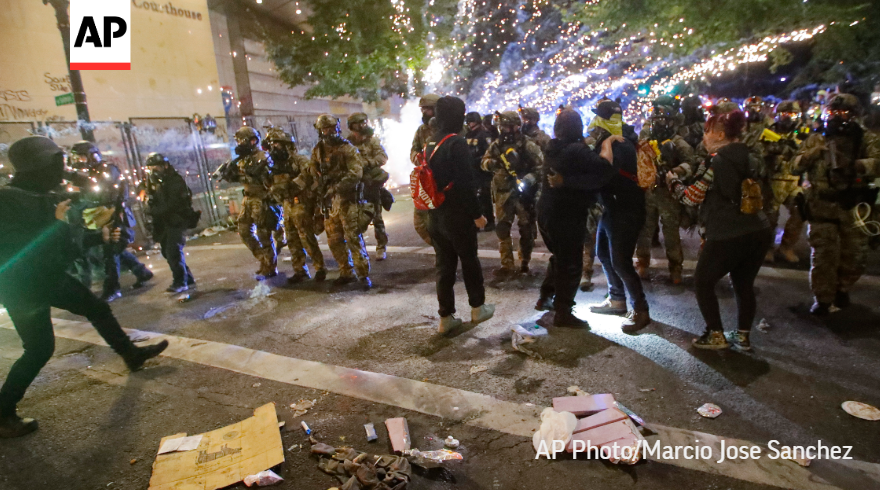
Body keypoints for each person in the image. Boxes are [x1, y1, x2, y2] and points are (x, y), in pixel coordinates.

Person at [0, 136, 168, 438]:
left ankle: (130, 354)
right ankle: (2, 412)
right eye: (55, 165)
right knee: (39, 349)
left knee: (96, 308)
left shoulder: (38, 195)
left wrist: (95, 237)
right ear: (38, 166)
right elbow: (30, 247)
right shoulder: (8, 200)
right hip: (21, 286)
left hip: (45, 278)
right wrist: (60, 222)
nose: (61, 171)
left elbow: (61, 247)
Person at [667, 111, 773, 350]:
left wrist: (673, 182)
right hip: (759, 229)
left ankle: (715, 334)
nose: (704, 136)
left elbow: (692, 196)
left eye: (707, 131)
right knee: (744, 283)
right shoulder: (752, 157)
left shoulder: (715, 161)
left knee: (703, 281)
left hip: (728, 232)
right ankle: (743, 336)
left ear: (720, 134)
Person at [792, 94, 880, 315]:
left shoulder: (866, 139)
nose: (838, 117)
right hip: (822, 205)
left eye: (844, 113)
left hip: (853, 206)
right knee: (823, 256)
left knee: (856, 256)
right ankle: (822, 299)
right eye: (833, 112)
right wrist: (812, 155)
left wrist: (855, 165)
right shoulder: (816, 138)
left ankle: (842, 288)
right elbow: (795, 166)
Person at [537, 108, 620, 326]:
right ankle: (563, 312)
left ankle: (546, 296)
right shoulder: (576, 150)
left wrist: (568, 180)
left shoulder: (552, 147)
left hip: (546, 211)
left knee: (560, 256)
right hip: (566, 214)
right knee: (571, 263)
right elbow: (604, 168)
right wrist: (608, 143)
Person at [424, 97, 495, 334]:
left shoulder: (430, 143)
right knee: (469, 260)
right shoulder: (456, 143)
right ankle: (477, 307)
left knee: (444, 266)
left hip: (435, 215)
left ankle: (446, 317)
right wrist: (477, 214)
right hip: (457, 215)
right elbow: (465, 184)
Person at [585, 100, 651, 330]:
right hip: (613, 208)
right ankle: (617, 299)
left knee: (621, 262)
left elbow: (602, 171)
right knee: (603, 252)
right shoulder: (621, 138)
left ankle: (641, 310)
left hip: (625, 209)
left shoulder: (618, 144)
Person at [68, 141, 153, 300]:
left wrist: (76, 178)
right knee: (115, 250)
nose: (79, 160)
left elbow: (100, 192)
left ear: (92, 155)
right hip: (97, 216)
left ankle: (112, 288)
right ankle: (142, 272)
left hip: (114, 215)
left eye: (81, 157)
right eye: (77, 157)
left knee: (110, 252)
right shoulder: (88, 172)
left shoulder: (108, 170)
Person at [635, 101, 695, 284]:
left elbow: (692, 163)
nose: (659, 124)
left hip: (668, 194)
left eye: (663, 120)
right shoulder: (645, 141)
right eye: (656, 120)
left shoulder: (679, 143)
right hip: (649, 193)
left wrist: (675, 171)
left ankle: (676, 269)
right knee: (645, 231)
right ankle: (642, 263)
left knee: (671, 233)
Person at [312, 114, 372, 290]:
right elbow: (312, 168)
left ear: (337, 128)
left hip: (348, 200)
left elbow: (355, 173)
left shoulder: (348, 149)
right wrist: (320, 184)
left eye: (331, 128)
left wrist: (337, 186)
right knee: (334, 239)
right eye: (325, 129)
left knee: (353, 237)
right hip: (330, 203)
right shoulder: (318, 150)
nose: (329, 132)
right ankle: (346, 271)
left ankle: (363, 275)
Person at [482, 110, 544, 278]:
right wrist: (492, 163)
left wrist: (530, 178)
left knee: (526, 229)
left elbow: (541, 166)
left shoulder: (527, 144)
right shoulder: (496, 145)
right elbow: (484, 162)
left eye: (507, 127)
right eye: (502, 127)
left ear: (516, 127)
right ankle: (507, 264)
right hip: (503, 192)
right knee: (502, 229)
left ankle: (524, 262)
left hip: (523, 194)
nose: (504, 130)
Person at [216, 127, 280, 280]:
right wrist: (229, 173)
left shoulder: (262, 156)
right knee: (244, 230)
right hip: (248, 197)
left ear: (252, 141)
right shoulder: (242, 158)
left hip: (261, 198)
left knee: (264, 233)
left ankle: (270, 266)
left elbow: (265, 175)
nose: (239, 144)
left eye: (242, 140)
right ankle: (263, 259)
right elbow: (237, 176)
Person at [267, 128, 327, 283]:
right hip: (287, 204)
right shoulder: (273, 165)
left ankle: (320, 268)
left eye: (277, 144)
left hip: (301, 203)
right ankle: (300, 270)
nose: (274, 148)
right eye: (272, 145)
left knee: (306, 237)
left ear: (287, 145)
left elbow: (310, 179)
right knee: (292, 239)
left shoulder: (300, 161)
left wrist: (292, 185)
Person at [142, 153, 197, 292]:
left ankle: (180, 282)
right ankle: (187, 278)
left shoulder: (175, 181)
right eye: (151, 168)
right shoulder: (154, 182)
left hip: (176, 220)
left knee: (173, 252)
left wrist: (154, 211)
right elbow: (151, 197)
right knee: (167, 252)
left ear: (164, 166)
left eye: (156, 167)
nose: (153, 171)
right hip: (163, 222)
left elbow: (173, 204)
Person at [763, 101, 808, 263]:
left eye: (792, 115)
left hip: (794, 181)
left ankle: (786, 246)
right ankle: (767, 248)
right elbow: (761, 152)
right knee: (770, 217)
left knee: (800, 212)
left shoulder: (803, 133)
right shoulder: (769, 132)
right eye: (784, 114)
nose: (788, 118)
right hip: (773, 181)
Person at [348, 113, 390, 260]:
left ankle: (381, 246)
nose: (361, 126)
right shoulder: (348, 143)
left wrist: (367, 163)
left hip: (371, 183)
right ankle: (359, 249)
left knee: (377, 217)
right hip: (355, 184)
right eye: (357, 124)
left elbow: (382, 157)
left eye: (363, 123)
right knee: (355, 218)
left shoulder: (372, 141)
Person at [410, 94, 441, 246]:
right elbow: (414, 150)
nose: (424, 112)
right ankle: (440, 249)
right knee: (420, 224)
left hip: (443, 182)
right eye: (423, 109)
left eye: (428, 109)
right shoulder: (421, 130)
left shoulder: (450, 128)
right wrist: (418, 157)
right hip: (426, 182)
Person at [465, 111, 495, 231]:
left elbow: (489, 152)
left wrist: (478, 160)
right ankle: (476, 221)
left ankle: (490, 221)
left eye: (471, 122)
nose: (470, 124)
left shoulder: (484, 135)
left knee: (484, 197)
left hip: (482, 171)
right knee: (474, 197)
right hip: (472, 172)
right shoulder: (467, 136)